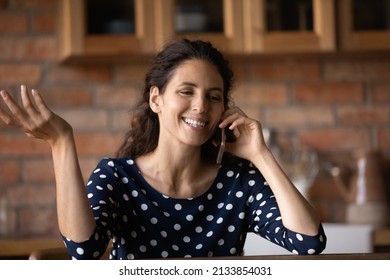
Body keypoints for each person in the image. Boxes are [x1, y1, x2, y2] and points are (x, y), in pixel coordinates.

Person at [0, 39, 326, 259]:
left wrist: (261, 155)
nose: (200, 106)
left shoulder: (238, 180)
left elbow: (309, 242)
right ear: (156, 99)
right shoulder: (117, 177)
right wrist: (60, 141)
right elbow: (84, 251)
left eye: (214, 97)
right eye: (186, 91)